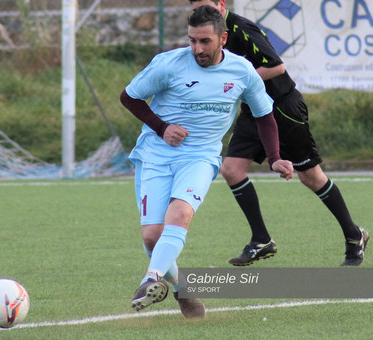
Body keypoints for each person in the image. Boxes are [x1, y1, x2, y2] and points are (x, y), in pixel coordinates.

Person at [120, 5, 293, 317]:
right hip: (155, 155)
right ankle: (180, 289)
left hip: (200, 156)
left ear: (223, 38)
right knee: (151, 236)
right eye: (192, 41)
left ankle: (150, 279)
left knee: (180, 214)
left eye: (205, 42)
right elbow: (129, 96)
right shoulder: (168, 64)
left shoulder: (242, 71)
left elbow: (264, 115)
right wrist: (162, 128)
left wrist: (275, 158)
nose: (197, 49)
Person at [189, 0, 369, 266]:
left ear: (221, 4)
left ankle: (354, 237)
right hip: (254, 110)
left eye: (207, 6)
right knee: (231, 169)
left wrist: (236, 85)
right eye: (195, 9)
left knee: (310, 177)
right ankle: (261, 240)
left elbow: (276, 66)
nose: (202, 12)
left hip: (283, 108)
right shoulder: (205, 38)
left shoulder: (241, 28)